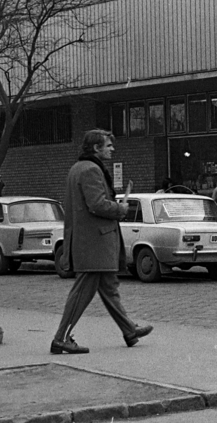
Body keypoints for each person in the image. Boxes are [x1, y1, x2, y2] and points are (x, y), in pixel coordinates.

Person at [49, 130, 153, 355]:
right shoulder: (90, 170)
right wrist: (120, 209)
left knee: (109, 287)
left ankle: (129, 330)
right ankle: (61, 338)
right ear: (96, 148)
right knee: (82, 292)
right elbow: (96, 204)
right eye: (108, 145)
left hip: (92, 241)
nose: (112, 149)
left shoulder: (80, 168)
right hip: (94, 241)